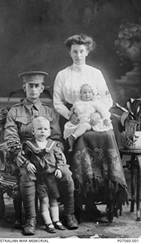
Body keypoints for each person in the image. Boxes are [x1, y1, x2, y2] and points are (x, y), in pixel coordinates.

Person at [53, 34, 128, 218]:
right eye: (74, 51)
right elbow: (57, 102)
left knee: (108, 137)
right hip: (73, 119)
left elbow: (107, 98)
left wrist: (97, 113)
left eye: (81, 51)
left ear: (87, 52)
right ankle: (80, 199)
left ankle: (107, 193)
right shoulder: (63, 75)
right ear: (70, 52)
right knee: (78, 142)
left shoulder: (95, 73)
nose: (78, 55)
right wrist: (70, 114)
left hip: (96, 118)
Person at [4, 71, 78, 235]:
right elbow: (10, 138)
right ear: (25, 88)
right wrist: (19, 156)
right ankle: (31, 219)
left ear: (42, 88)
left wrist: (57, 159)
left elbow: (58, 139)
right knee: (28, 175)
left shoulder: (49, 112)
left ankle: (69, 214)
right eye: (30, 86)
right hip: (26, 157)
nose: (33, 89)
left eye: (37, 86)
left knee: (66, 173)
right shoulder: (14, 112)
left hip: (50, 157)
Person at [22, 116, 68, 233]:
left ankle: (56, 220)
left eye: (45, 129)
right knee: (44, 200)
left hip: (51, 177)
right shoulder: (29, 145)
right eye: (39, 129)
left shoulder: (53, 145)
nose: (42, 131)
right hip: (40, 178)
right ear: (33, 131)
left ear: (49, 131)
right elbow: (23, 157)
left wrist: (59, 168)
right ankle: (48, 223)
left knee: (54, 199)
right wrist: (27, 163)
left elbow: (59, 158)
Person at [64, 83, 113, 151]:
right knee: (71, 127)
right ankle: (72, 146)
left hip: (91, 122)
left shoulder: (94, 103)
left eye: (89, 92)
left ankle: (73, 136)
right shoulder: (78, 103)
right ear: (80, 94)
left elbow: (103, 111)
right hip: (79, 122)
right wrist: (71, 113)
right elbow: (73, 110)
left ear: (93, 93)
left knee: (84, 125)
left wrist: (106, 119)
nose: (87, 94)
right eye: (84, 92)